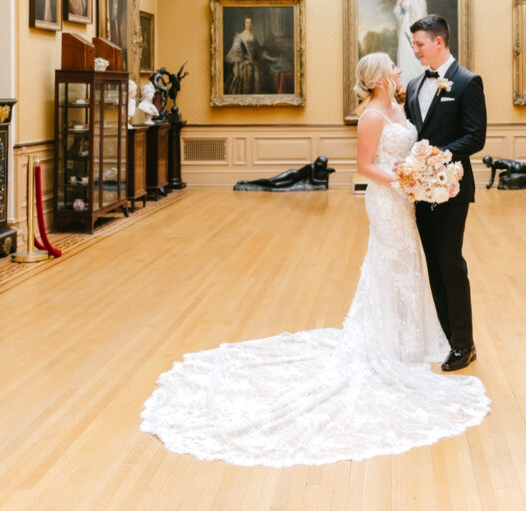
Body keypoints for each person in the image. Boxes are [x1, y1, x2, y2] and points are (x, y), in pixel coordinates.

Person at [141, 52, 490, 465]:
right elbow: (364, 166)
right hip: (387, 199)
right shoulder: (370, 117)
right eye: (393, 67)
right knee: (391, 263)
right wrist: (403, 179)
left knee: (409, 264)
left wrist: (417, 174)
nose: (401, 70)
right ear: (379, 78)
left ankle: (410, 337)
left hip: (405, 200)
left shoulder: (400, 105)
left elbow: (422, 142)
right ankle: (387, 341)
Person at [404, 14, 487, 372]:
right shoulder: (411, 86)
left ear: (439, 42)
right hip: (419, 191)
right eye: (413, 44)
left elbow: (476, 136)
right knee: (433, 264)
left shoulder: (467, 82)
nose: (415, 50)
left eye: (420, 44)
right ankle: (446, 336)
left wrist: (439, 158)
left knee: (451, 262)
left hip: (451, 186)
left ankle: (464, 344)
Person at [224, 15, 280, 94]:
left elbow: (259, 53)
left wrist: (271, 58)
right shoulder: (240, 36)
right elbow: (235, 53)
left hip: (254, 66)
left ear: (252, 24)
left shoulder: (253, 37)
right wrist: (245, 61)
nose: (248, 24)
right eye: (247, 22)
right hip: (243, 67)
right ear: (244, 24)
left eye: (250, 23)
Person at [392, 0, 427, 84]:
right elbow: (400, 16)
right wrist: (398, 5)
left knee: (413, 58)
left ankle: (416, 84)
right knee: (405, 57)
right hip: (404, 30)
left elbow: (419, 18)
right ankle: (406, 87)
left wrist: (415, 37)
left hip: (410, 31)